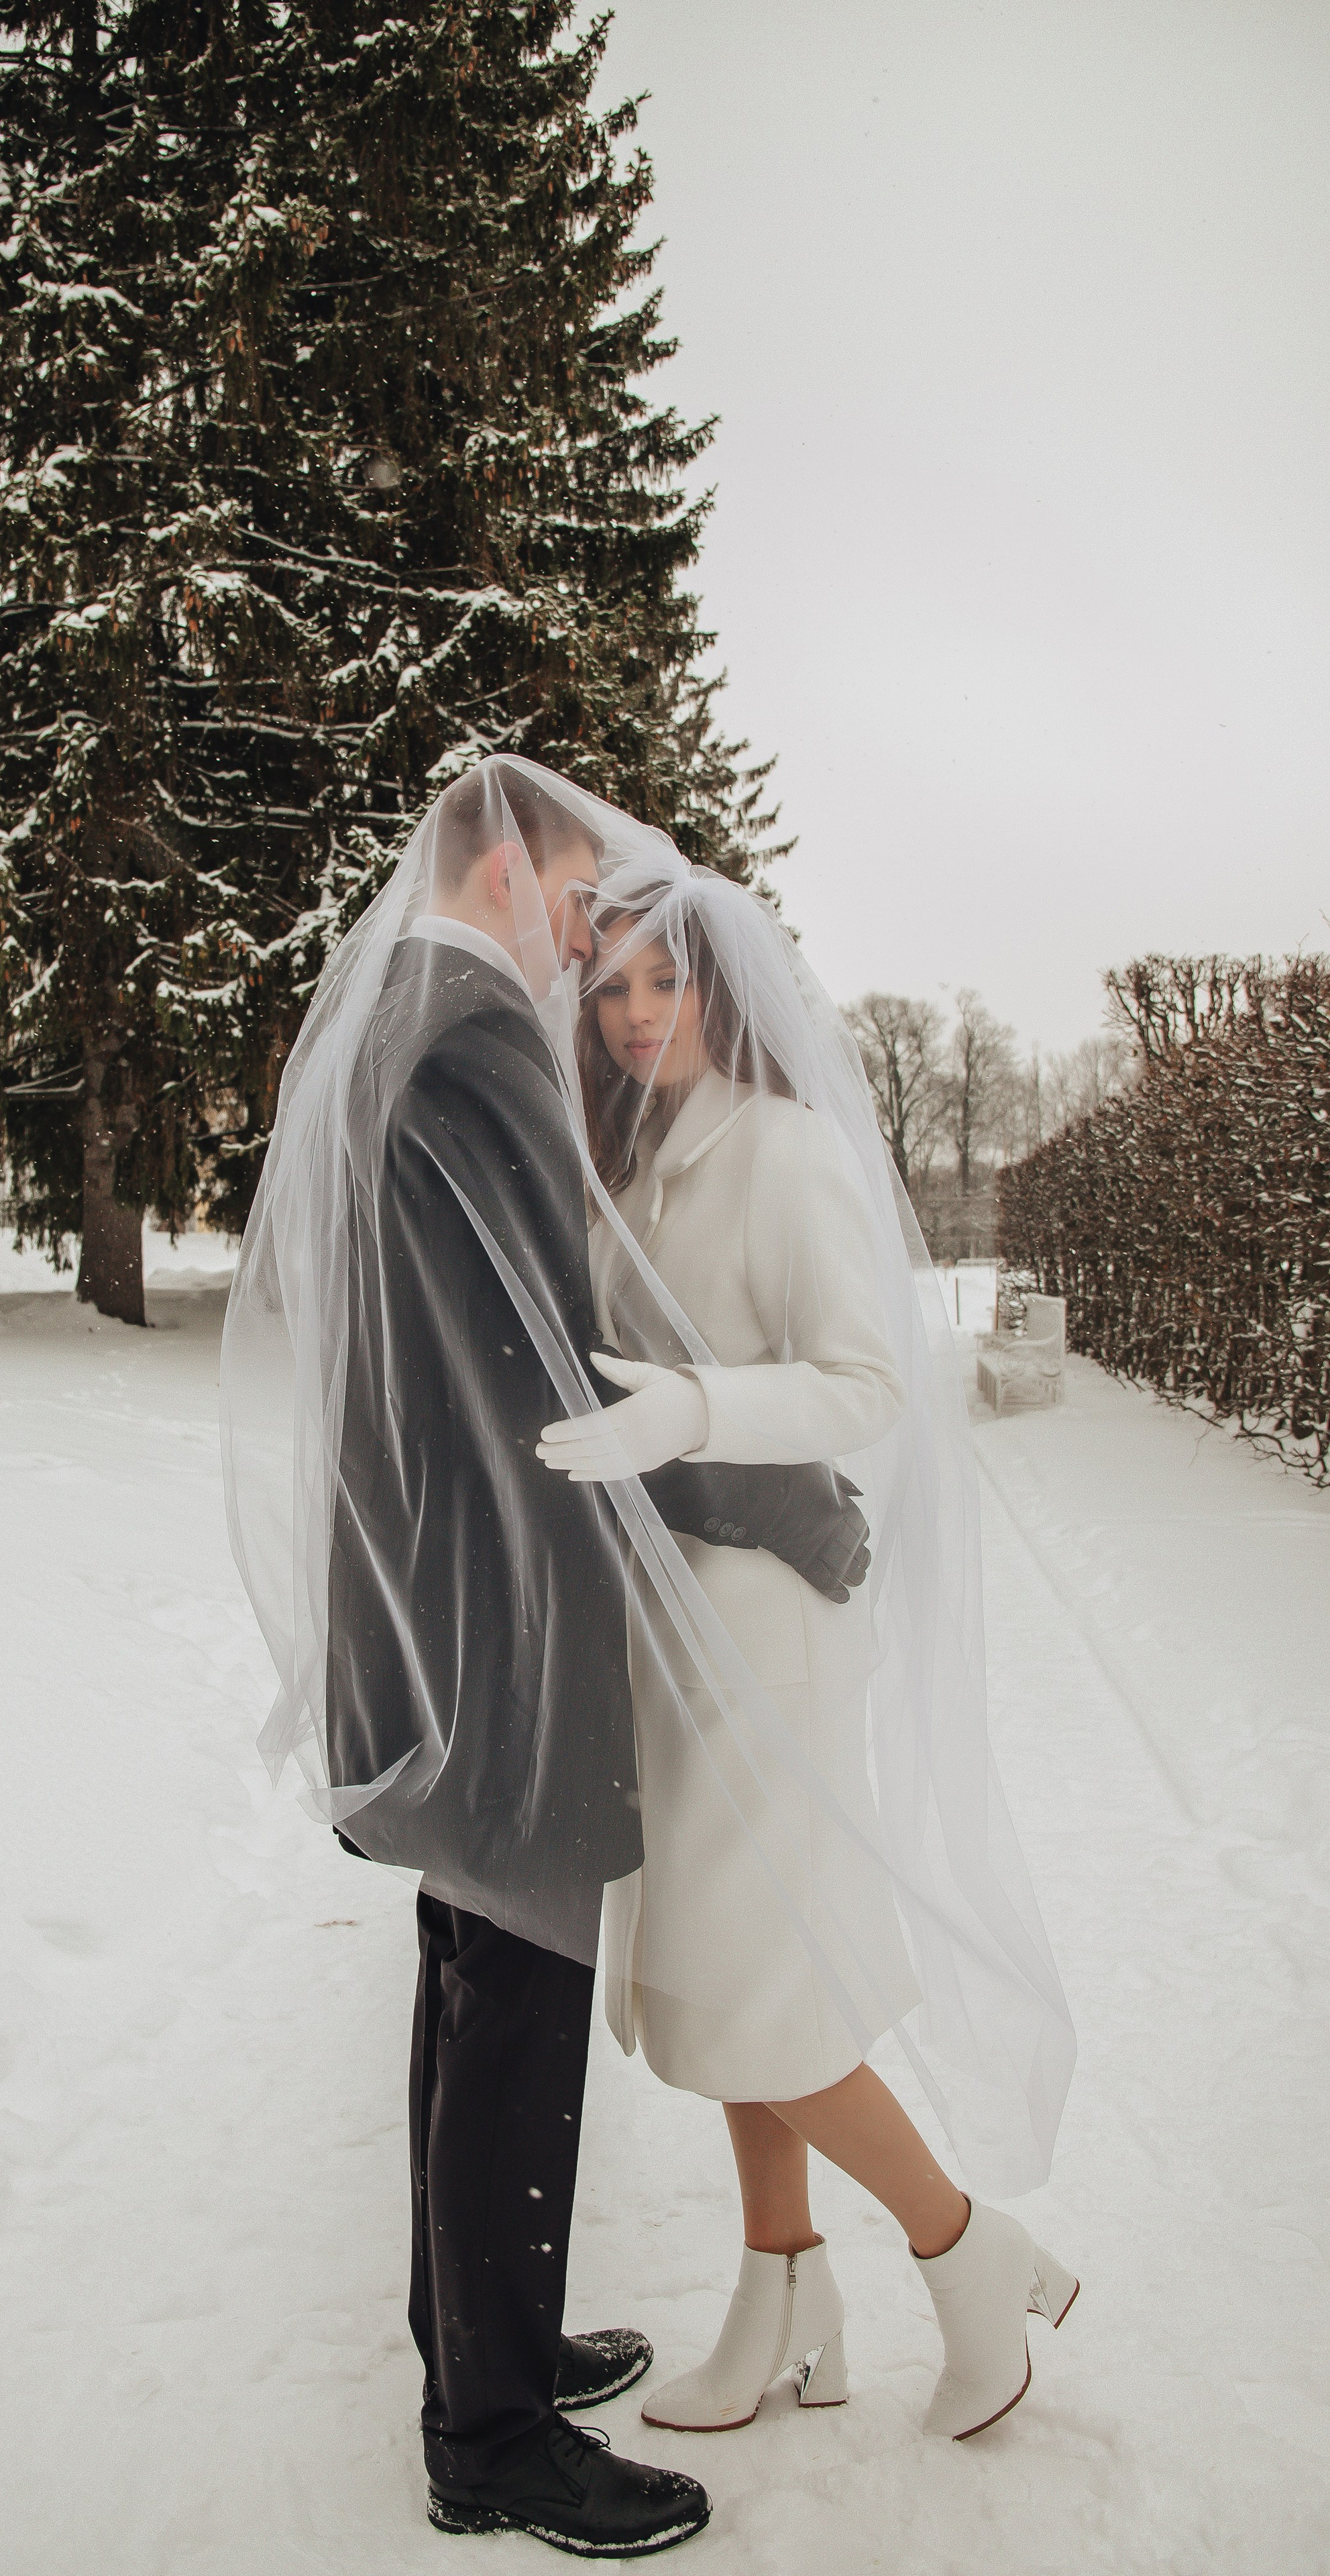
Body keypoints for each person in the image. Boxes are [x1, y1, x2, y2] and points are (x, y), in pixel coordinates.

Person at [223, 761, 713, 2557]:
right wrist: (761, 1487)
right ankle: (491, 2440)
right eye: (576, 900)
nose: (586, 945)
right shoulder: (479, 1035)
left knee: (463, 1979)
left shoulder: (381, 1026)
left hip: (421, 1580)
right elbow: (553, 1370)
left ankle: (478, 2338)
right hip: (502, 1611)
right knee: (515, 2002)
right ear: (503, 865)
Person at [535, 863, 1078, 2441]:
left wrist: (693, 1411)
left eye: (663, 982)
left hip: (764, 1629)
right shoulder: (632, 1158)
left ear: (721, 989)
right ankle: (784, 2293)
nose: (634, 1015)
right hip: (671, 1624)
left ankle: (965, 2251)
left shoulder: (782, 1150)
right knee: (736, 1984)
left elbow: (864, 1384)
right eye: (610, 989)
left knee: (752, 1994)